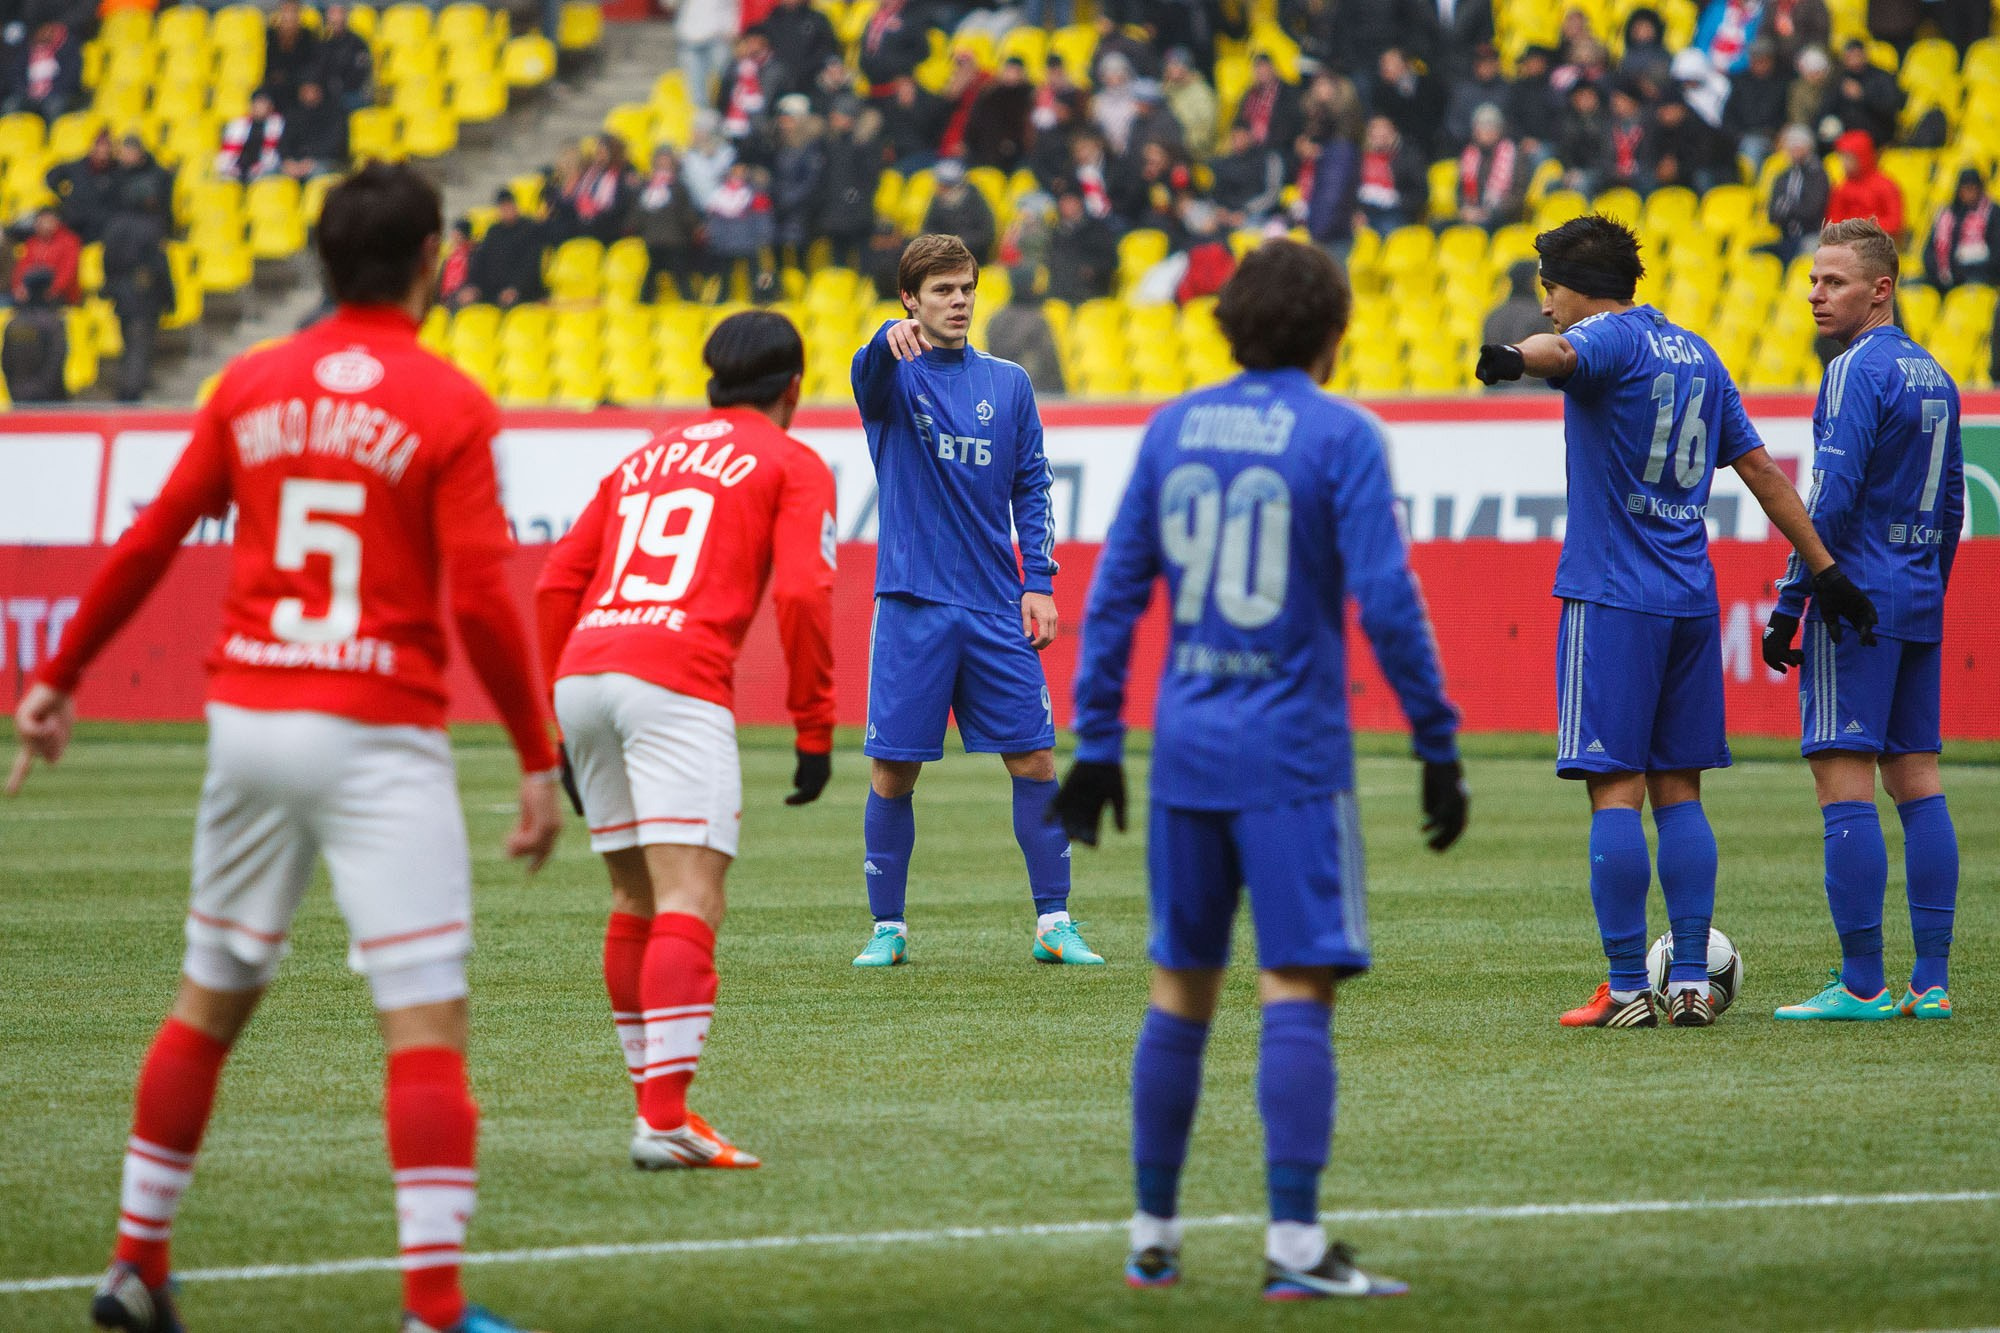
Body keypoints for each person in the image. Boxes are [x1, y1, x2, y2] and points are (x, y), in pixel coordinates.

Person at [8, 162, 561, 1333]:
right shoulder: (450, 402)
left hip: (251, 723)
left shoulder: (249, 382)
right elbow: (477, 599)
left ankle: (134, 1261)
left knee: (208, 1000)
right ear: (434, 261)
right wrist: (531, 751)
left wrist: (55, 678)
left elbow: (154, 536)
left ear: (317, 261)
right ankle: (432, 1308)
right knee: (422, 1017)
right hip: (377, 731)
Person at [1052, 238, 1467, 1300]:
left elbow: (1110, 598)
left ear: (1228, 323)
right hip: (1289, 757)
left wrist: (1096, 742)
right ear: (1333, 336)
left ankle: (1151, 1236)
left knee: (1178, 986)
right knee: (1293, 982)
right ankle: (1291, 1249)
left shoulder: (1170, 425)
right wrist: (1433, 740)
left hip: (1184, 747)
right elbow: (1386, 602)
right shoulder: (1342, 435)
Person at [1473, 214, 1875, 1027]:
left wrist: (1516, 359)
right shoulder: (1697, 353)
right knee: (1680, 795)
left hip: (1613, 597)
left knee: (1614, 792)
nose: (1544, 305)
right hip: (1690, 597)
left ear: (1581, 288)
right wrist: (1825, 570)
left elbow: (1566, 353)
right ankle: (1689, 978)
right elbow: (1760, 469)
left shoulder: (1604, 337)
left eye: (1549, 288)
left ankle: (1626, 987)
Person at [535, 310, 837, 1169]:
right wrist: (813, 724)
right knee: (690, 898)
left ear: (710, 381)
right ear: (792, 388)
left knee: (634, 897)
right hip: (675, 679)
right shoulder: (792, 459)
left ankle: (655, 1110)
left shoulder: (645, 454)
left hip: (586, 668)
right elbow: (806, 596)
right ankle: (666, 1119)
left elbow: (559, 579)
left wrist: (557, 708)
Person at [848, 233, 1102, 969]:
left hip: (995, 605)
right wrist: (880, 341)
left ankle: (1054, 921)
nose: (958, 302)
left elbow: (1033, 484)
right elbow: (866, 379)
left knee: (1035, 761)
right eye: (941, 291)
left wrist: (1040, 582)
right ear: (910, 300)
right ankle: (888, 927)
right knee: (893, 772)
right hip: (912, 604)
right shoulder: (892, 376)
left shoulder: (1010, 383)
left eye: (965, 288)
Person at [1763, 218, 1962, 1022]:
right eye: (1813, 280)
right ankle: (1934, 982)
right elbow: (1951, 508)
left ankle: (1863, 984)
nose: (1816, 294)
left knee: (1841, 779)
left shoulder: (1852, 371)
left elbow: (1830, 501)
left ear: (1881, 289)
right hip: (1916, 595)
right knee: (1918, 780)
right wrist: (1928, 588)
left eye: (1834, 281)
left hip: (1856, 597)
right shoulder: (1938, 374)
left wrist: (1793, 598)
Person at [633, 146, 703, 301]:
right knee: (655, 272)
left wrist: (694, 227)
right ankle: (645, 302)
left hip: (673, 238)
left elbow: (686, 211)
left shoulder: (678, 186)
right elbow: (639, 212)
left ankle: (688, 301)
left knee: (677, 272)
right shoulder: (648, 186)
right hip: (655, 238)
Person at [985, 262, 1065, 396]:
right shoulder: (1038, 321)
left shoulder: (996, 318)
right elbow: (1050, 367)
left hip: (1001, 393)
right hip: (1037, 396)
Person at [463, 188, 547, 308]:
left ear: (515, 206)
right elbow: (480, 260)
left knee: (508, 302)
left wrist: (515, 288)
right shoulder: (494, 231)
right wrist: (474, 286)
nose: (506, 210)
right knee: (462, 301)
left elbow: (531, 265)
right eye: (502, 207)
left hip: (523, 291)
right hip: (493, 289)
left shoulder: (530, 229)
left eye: (508, 205)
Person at [1922, 168, 1997, 293]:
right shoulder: (1947, 215)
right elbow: (1930, 251)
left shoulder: (1993, 213)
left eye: (1973, 188)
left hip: (1985, 277)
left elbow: (1996, 252)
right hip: (1949, 279)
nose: (1970, 192)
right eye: (1966, 188)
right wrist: (1944, 274)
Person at [1765, 124, 1830, 264]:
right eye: (1790, 146)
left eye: (1797, 145)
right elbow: (1772, 213)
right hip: (1784, 236)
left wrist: (1788, 208)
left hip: (1810, 235)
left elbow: (1812, 210)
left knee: (1806, 253)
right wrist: (1790, 209)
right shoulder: (1782, 176)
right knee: (1757, 254)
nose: (1792, 150)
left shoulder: (1818, 175)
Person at [3, 266, 68, 403]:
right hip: (49, 400)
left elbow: (6, 363)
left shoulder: (13, 323)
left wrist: (15, 389)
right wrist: (40, 390)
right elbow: (56, 362)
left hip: (18, 395)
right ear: (45, 291)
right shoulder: (53, 324)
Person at [1824, 128, 1903, 240]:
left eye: (1849, 158)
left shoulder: (1885, 185)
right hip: (1847, 244)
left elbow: (1895, 223)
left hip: (1879, 244)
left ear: (1862, 157)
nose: (1844, 163)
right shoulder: (1842, 188)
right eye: (1842, 158)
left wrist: (1863, 227)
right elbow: (1833, 221)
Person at [1456, 103, 1523, 229]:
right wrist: (1465, 209)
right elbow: (1460, 191)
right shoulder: (1469, 155)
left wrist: (1489, 212)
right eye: (1482, 127)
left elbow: (1518, 195)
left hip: (1500, 216)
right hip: (1473, 212)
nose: (1486, 132)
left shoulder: (1513, 154)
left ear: (1500, 130)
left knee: (1485, 225)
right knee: (1439, 226)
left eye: (1491, 127)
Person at [920, 156, 995, 264]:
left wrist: (959, 243)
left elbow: (986, 234)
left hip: (973, 258)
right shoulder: (937, 201)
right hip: (942, 256)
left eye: (944, 186)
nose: (939, 189)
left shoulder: (976, 201)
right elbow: (928, 228)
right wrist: (939, 243)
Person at [278, 80, 348, 179]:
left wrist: (311, 160)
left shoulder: (335, 114)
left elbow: (335, 144)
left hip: (326, 160)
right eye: (305, 91)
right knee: (268, 175)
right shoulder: (293, 115)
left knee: (318, 174)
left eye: (312, 90)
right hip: (296, 163)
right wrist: (288, 161)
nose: (309, 95)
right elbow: (284, 144)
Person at [216, 90, 286, 183]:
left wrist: (260, 167)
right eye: (258, 103)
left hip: (264, 171)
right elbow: (227, 154)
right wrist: (231, 169)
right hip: (237, 169)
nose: (261, 107)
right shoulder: (238, 125)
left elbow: (272, 156)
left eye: (264, 104)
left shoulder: (277, 124)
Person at [14, 205, 79, 304]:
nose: (44, 225)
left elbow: (69, 271)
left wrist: (54, 290)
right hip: (32, 293)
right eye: (40, 221)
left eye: (48, 221)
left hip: (61, 295)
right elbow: (21, 268)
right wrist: (19, 287)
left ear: (56, 221)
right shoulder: (31, 243)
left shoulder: (69, 241)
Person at [317, 4, 375, 112]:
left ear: (345, 16)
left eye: (339, 13)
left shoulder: (358, 43)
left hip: (351, 92)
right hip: (328, 93)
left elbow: (361, 72)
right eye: (332, 14)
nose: (336, 19)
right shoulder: (323, 44)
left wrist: (340, 84)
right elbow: (319, 69)